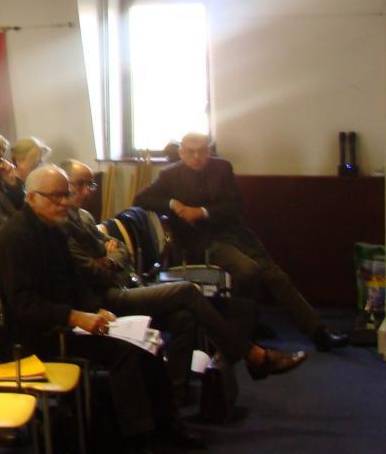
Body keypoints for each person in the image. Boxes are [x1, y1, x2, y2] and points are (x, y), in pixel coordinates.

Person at [0, 165, 194, 454]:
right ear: (31, 198)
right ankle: (138, 444)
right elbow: (23, 306)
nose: (64, 203)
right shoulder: (14, 238)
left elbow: (74, 285)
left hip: (65, 323)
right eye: (55, 197)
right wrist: (74, 316)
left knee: (144, 337)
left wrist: (95, 310)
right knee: (123, 350)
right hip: (37, 337)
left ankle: (168, 427)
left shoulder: (54, 229)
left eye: (64, 195)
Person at [61, 159, 305, 394]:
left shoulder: (84, 217)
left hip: (126, 283)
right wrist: (108, 259)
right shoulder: (61, 227)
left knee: (185, 317)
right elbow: (90, 271)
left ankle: (174, 394)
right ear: (64, 186)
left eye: (89, 184)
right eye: (79, 184)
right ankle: (253, 355)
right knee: (187, 291)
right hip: (107, 299)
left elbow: (120, 251)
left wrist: (109, 259)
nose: (87, 191)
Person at [133, 132, 349, 351]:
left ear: (209, 151)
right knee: (248, 271)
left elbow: (234, 205)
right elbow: (140, 199)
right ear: (181, 153)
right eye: (191, 152)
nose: (196, 157)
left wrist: (202, 212)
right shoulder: (170, 175)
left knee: (276, 276)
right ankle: (242, 334)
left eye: (201, 151)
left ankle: (318, 331)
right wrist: (172, 204)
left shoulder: (222, 168)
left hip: (236, 235)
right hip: (202, 243)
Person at [7, 136, 52, 209]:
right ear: (19, 160)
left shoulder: (29, 184)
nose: (39, 167)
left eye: (40, 162)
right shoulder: (11, 188)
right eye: (36, 162)